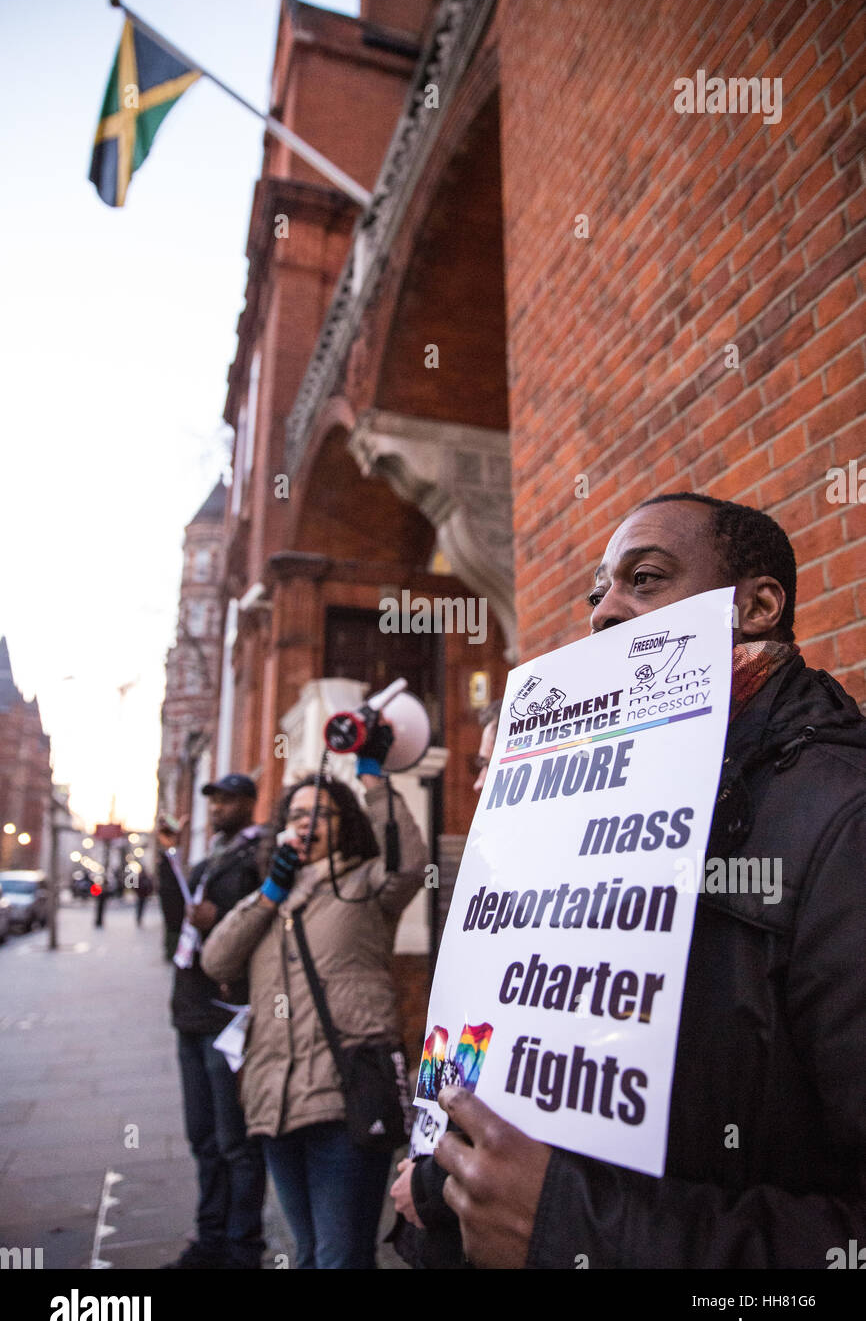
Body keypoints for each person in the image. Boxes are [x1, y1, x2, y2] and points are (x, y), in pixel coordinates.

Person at [435, 492, 866, 1269]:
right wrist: (451, 1188)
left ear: (758, 606)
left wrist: (580, 1232)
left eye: (646, 578)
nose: (603, 613)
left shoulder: (842, 817)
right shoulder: (596, 799)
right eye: (598, 591)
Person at [201, 734, 427, 1270]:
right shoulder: (271, 898)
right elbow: (216, 961)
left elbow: (411, 864)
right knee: (307, 1256)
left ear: (343, 823)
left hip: (343, 1101)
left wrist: (374, 778)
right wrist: (270, 893)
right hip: (274, 1105)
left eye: (321, 814)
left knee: (339, 1258)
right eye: (297, 814)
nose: (307, 822)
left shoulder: (365, 887)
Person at [389, 698, 502, 1267]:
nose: (478, 787)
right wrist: (423, 1159)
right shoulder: (493, 873)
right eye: (475, 768)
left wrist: (431, 1183)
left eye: (492, 764)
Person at [157, 773, 267, 1270]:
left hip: (228, 1017)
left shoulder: (256, 856)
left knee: (235, 1143)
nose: (218, 808)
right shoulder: (207, 862)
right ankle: (210, 1240)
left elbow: (261, 924)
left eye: (226, 800)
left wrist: (218, 918)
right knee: (203, 1138)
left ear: (247, 803)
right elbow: (173, 915)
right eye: (214, 800)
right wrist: (166, 858)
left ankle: (244, 1249)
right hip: (190, 1012)